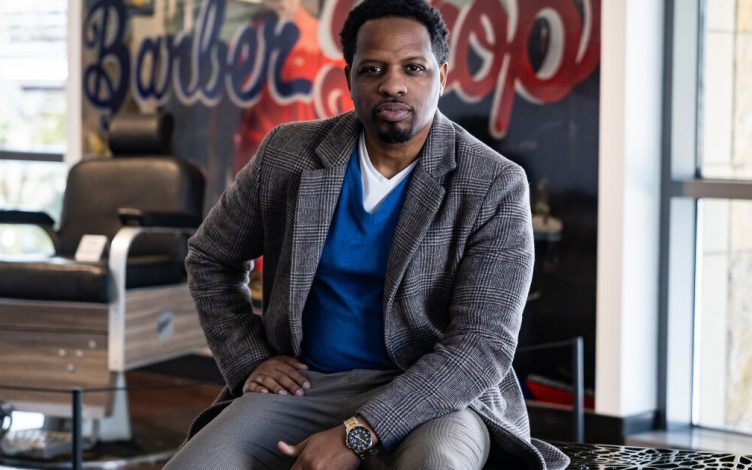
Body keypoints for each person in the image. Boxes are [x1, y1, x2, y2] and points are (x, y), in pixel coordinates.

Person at [165, 0, 569, 469]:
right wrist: (249, 359)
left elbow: (482, 347)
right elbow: (211, 257)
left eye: (413, 68)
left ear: (441, 76)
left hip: (435, 396)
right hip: (306, 384)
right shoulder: (288, 154)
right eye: (373, 68)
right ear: (350, 77)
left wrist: (360, 432)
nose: (392, 84)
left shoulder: (493, 183)